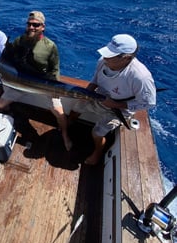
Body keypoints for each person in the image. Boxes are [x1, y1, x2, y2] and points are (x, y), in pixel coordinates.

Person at [67, 34, 156, 165]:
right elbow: (95, 79)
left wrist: (115, 104)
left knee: (97, 133)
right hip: (98, 97)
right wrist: (86, 93)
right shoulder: (103, 60)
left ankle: (97, 153)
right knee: (76, 108)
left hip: (118, 110)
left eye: (111, 55)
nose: (106, 57)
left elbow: (148, 103)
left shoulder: (140, 77)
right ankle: (66, 127)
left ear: (126, 58)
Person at [0, 11, 72, 151]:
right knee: (0, 105)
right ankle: (11, 115)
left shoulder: (50, 46)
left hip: (42, 85)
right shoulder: (20, 40)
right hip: (20, 83)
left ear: (42, 27)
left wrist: (54, 90)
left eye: (35, 25)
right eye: (29, 24)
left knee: (60, 113)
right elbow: (10, 60)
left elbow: (54, 70)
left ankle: (65, 135)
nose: (31, 27)